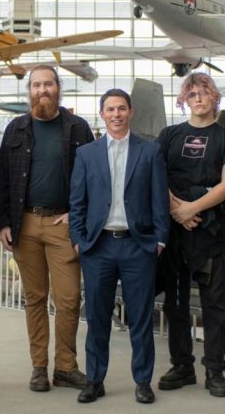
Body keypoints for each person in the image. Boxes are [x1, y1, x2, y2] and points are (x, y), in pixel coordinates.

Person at [0, 64, 93, 392]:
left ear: (58, 88)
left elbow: (94, 179)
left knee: (68, 299)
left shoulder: (78, 128)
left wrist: (78, 216)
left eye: (48, 84)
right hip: (25, 224)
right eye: (36, 85)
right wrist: (3, 223)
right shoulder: (16, 129)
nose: (42, 90)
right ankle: (39, 367)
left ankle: (66, 366)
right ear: (29, 91)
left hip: (63, 223)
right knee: (34, 298)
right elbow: (2, 179)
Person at [69, 88, 169, 404]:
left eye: (121, 109)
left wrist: (160, 239)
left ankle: (142, 381)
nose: (116, 114)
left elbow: (159, 200)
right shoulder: (86, 154)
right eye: (110, 109)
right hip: (98, 247)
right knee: (97, 318)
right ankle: (94, 380)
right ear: (102, 114)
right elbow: (77, 201)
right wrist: (78, 240)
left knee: (140, 318)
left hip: (138, 246)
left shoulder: (149, 152)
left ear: (130, 112)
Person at [154, 73, 225, 398]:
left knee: (214, 304)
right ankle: (182, 365)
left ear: (214, 97)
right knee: (175, 304)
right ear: (184, 99)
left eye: (204, 92)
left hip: (209, 231)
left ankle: (215, 370)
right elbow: (154, 174)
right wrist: (178, 208)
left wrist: (193, 209)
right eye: (192, 93)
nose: (198, 98)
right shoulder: (170, 134)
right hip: (174, 230)